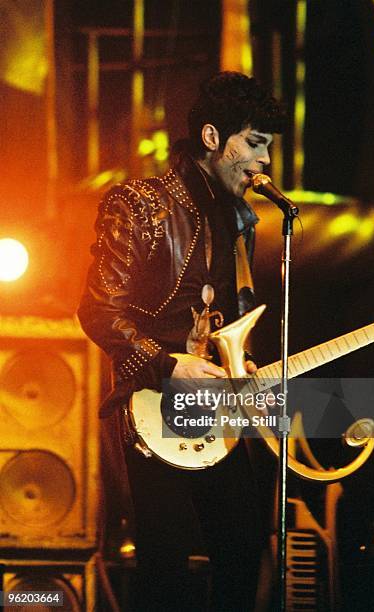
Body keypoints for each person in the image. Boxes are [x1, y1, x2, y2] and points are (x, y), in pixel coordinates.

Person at [78, 71, 285, 611]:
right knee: (164, 565)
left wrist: (247, 373)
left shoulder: (242, 219)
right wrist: (167, 364)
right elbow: (98, 309)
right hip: (153, 405)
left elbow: (231, 325)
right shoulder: (140, 203)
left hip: (218, 410)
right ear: (213, 138)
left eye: (269, 147)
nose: (264, 161)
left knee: (244, 554)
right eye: (255, 143)